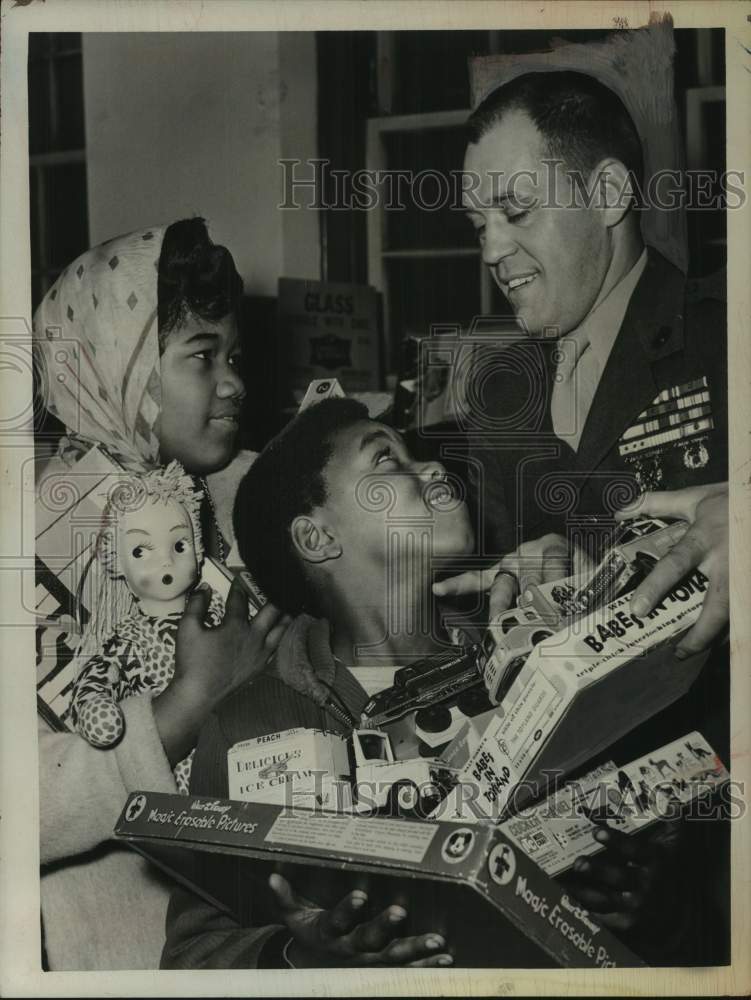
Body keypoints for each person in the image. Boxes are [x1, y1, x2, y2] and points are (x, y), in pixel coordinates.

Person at [162, 398, 682, 968]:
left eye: (415, 454)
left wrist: (635, 912)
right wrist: (301, 959)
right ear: (317, 538)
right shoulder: (247, 726)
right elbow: (194, 954)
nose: (432, 468)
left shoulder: (536, 667)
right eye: (385, 459)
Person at [33, 218, 292, 969]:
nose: (235, 381)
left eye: (235, 355)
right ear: (118, 368)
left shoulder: (245, 492)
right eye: (201, 358)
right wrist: (185, 705)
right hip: (122, 951)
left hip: (264, 933)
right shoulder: (37, 543)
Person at [434, 70, 728, 666]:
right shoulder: (499, 393)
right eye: (477, 227)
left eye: (515, 212)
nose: (490, 252)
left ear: (609, 194)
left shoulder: (728, 337)